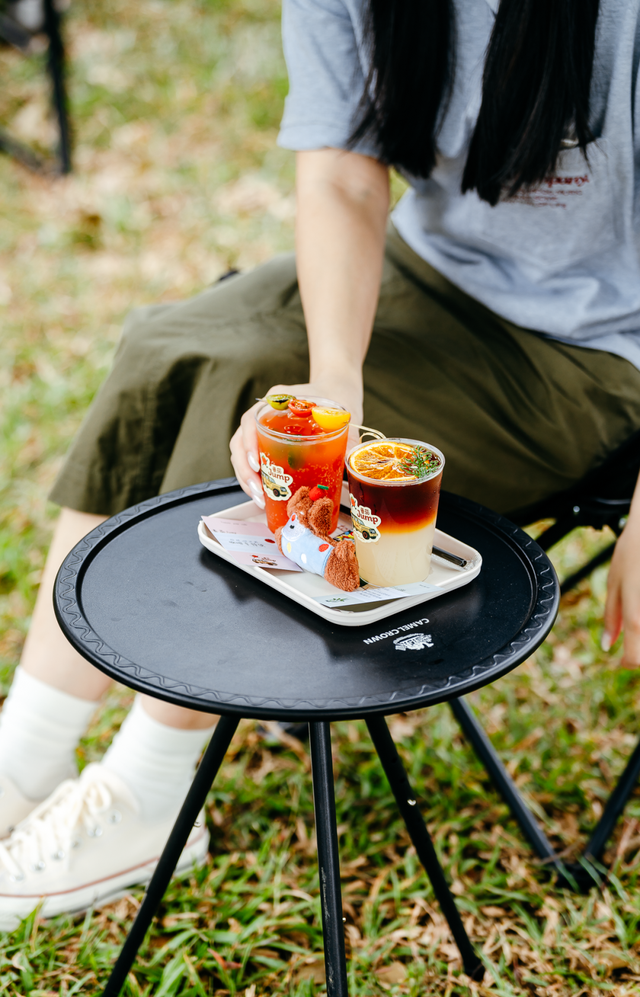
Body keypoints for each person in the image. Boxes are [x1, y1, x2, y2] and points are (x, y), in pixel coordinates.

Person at [1, 0, 640, 928]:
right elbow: (344, 172)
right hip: (427, 269)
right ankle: (27, 749)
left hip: (598, 351)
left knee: (264, 440)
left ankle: (151, 789)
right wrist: (337, 376)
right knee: (177, 354)